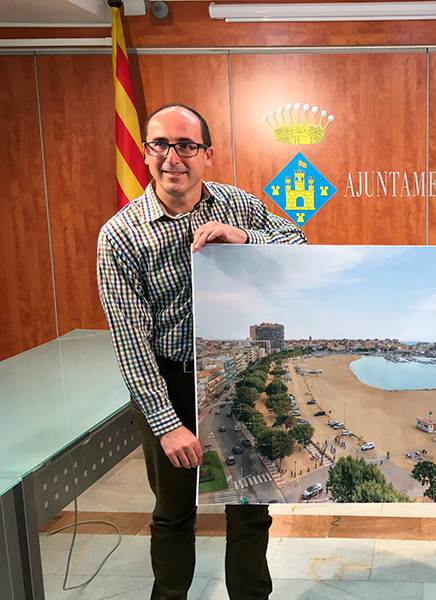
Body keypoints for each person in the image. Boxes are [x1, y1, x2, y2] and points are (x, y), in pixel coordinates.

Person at [97, 103, 307, 600]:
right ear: (146, 153)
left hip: (226, 378)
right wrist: (167, 424)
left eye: (186, 145)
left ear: (206, 154)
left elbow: (297, 240)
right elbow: (130, 342)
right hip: (167, 378)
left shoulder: (235, 204)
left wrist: (245, 237)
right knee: (173, 515)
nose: (174, 157)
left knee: (250, 508)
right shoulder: (120, 235)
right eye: (160, 145)